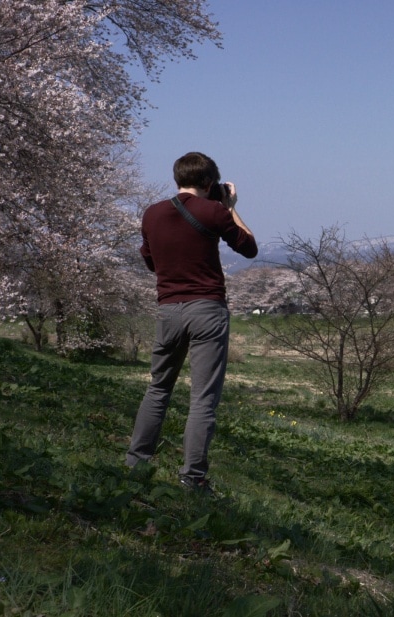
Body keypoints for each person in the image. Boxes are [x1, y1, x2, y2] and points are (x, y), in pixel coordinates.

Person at [126, 152, 258, 492]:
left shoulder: (152, 213)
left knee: (158, 389)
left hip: (168, 310)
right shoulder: (214, 211)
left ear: (177, 179)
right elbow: (249, 248)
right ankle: (193, 477)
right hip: (207, 311)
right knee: (202, 398)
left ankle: (135, 464)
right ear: (210, 183)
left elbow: (151, 262)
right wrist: (229, 206)